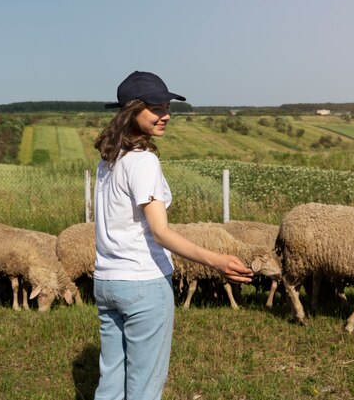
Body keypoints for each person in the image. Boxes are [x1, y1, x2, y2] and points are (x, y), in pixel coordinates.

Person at [92, 70, 254, 400]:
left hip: (107, 281)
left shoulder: (108, 160)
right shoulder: (143, 161)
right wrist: (217, 260)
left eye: (167, 106)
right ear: (132, 110)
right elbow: (161, 233)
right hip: (143, 283)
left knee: (111, 379)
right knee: (145, 387)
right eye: (157, 108)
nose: (166, 115)